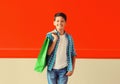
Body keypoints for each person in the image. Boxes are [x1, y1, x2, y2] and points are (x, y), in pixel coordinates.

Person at [46, 12, 77, 84]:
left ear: (65, 23)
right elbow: (48, 52)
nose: (60, 23)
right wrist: (55, 40)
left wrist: (71, 69)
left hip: (64, 69)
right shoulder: (50, 36)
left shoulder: (69, 38)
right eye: (57, 21)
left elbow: (73, 54)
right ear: (54, 22)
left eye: (62, 21)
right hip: (51, 69)